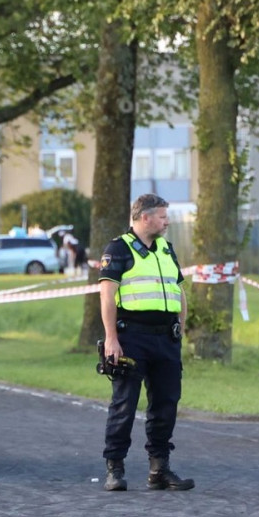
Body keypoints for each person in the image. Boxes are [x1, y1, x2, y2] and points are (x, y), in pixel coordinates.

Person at [98, 193, 194, 491]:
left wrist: (181, 326)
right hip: (132, 338)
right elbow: (107, 296)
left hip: (165, 338)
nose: (167, 222)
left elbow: (178, 290)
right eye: (163, 216)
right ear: (145, 218)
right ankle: (115, 468)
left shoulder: (165, 248)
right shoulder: (119, 248)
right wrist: (112, 338)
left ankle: (159, 468)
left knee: (166, 403)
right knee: (124, 403)